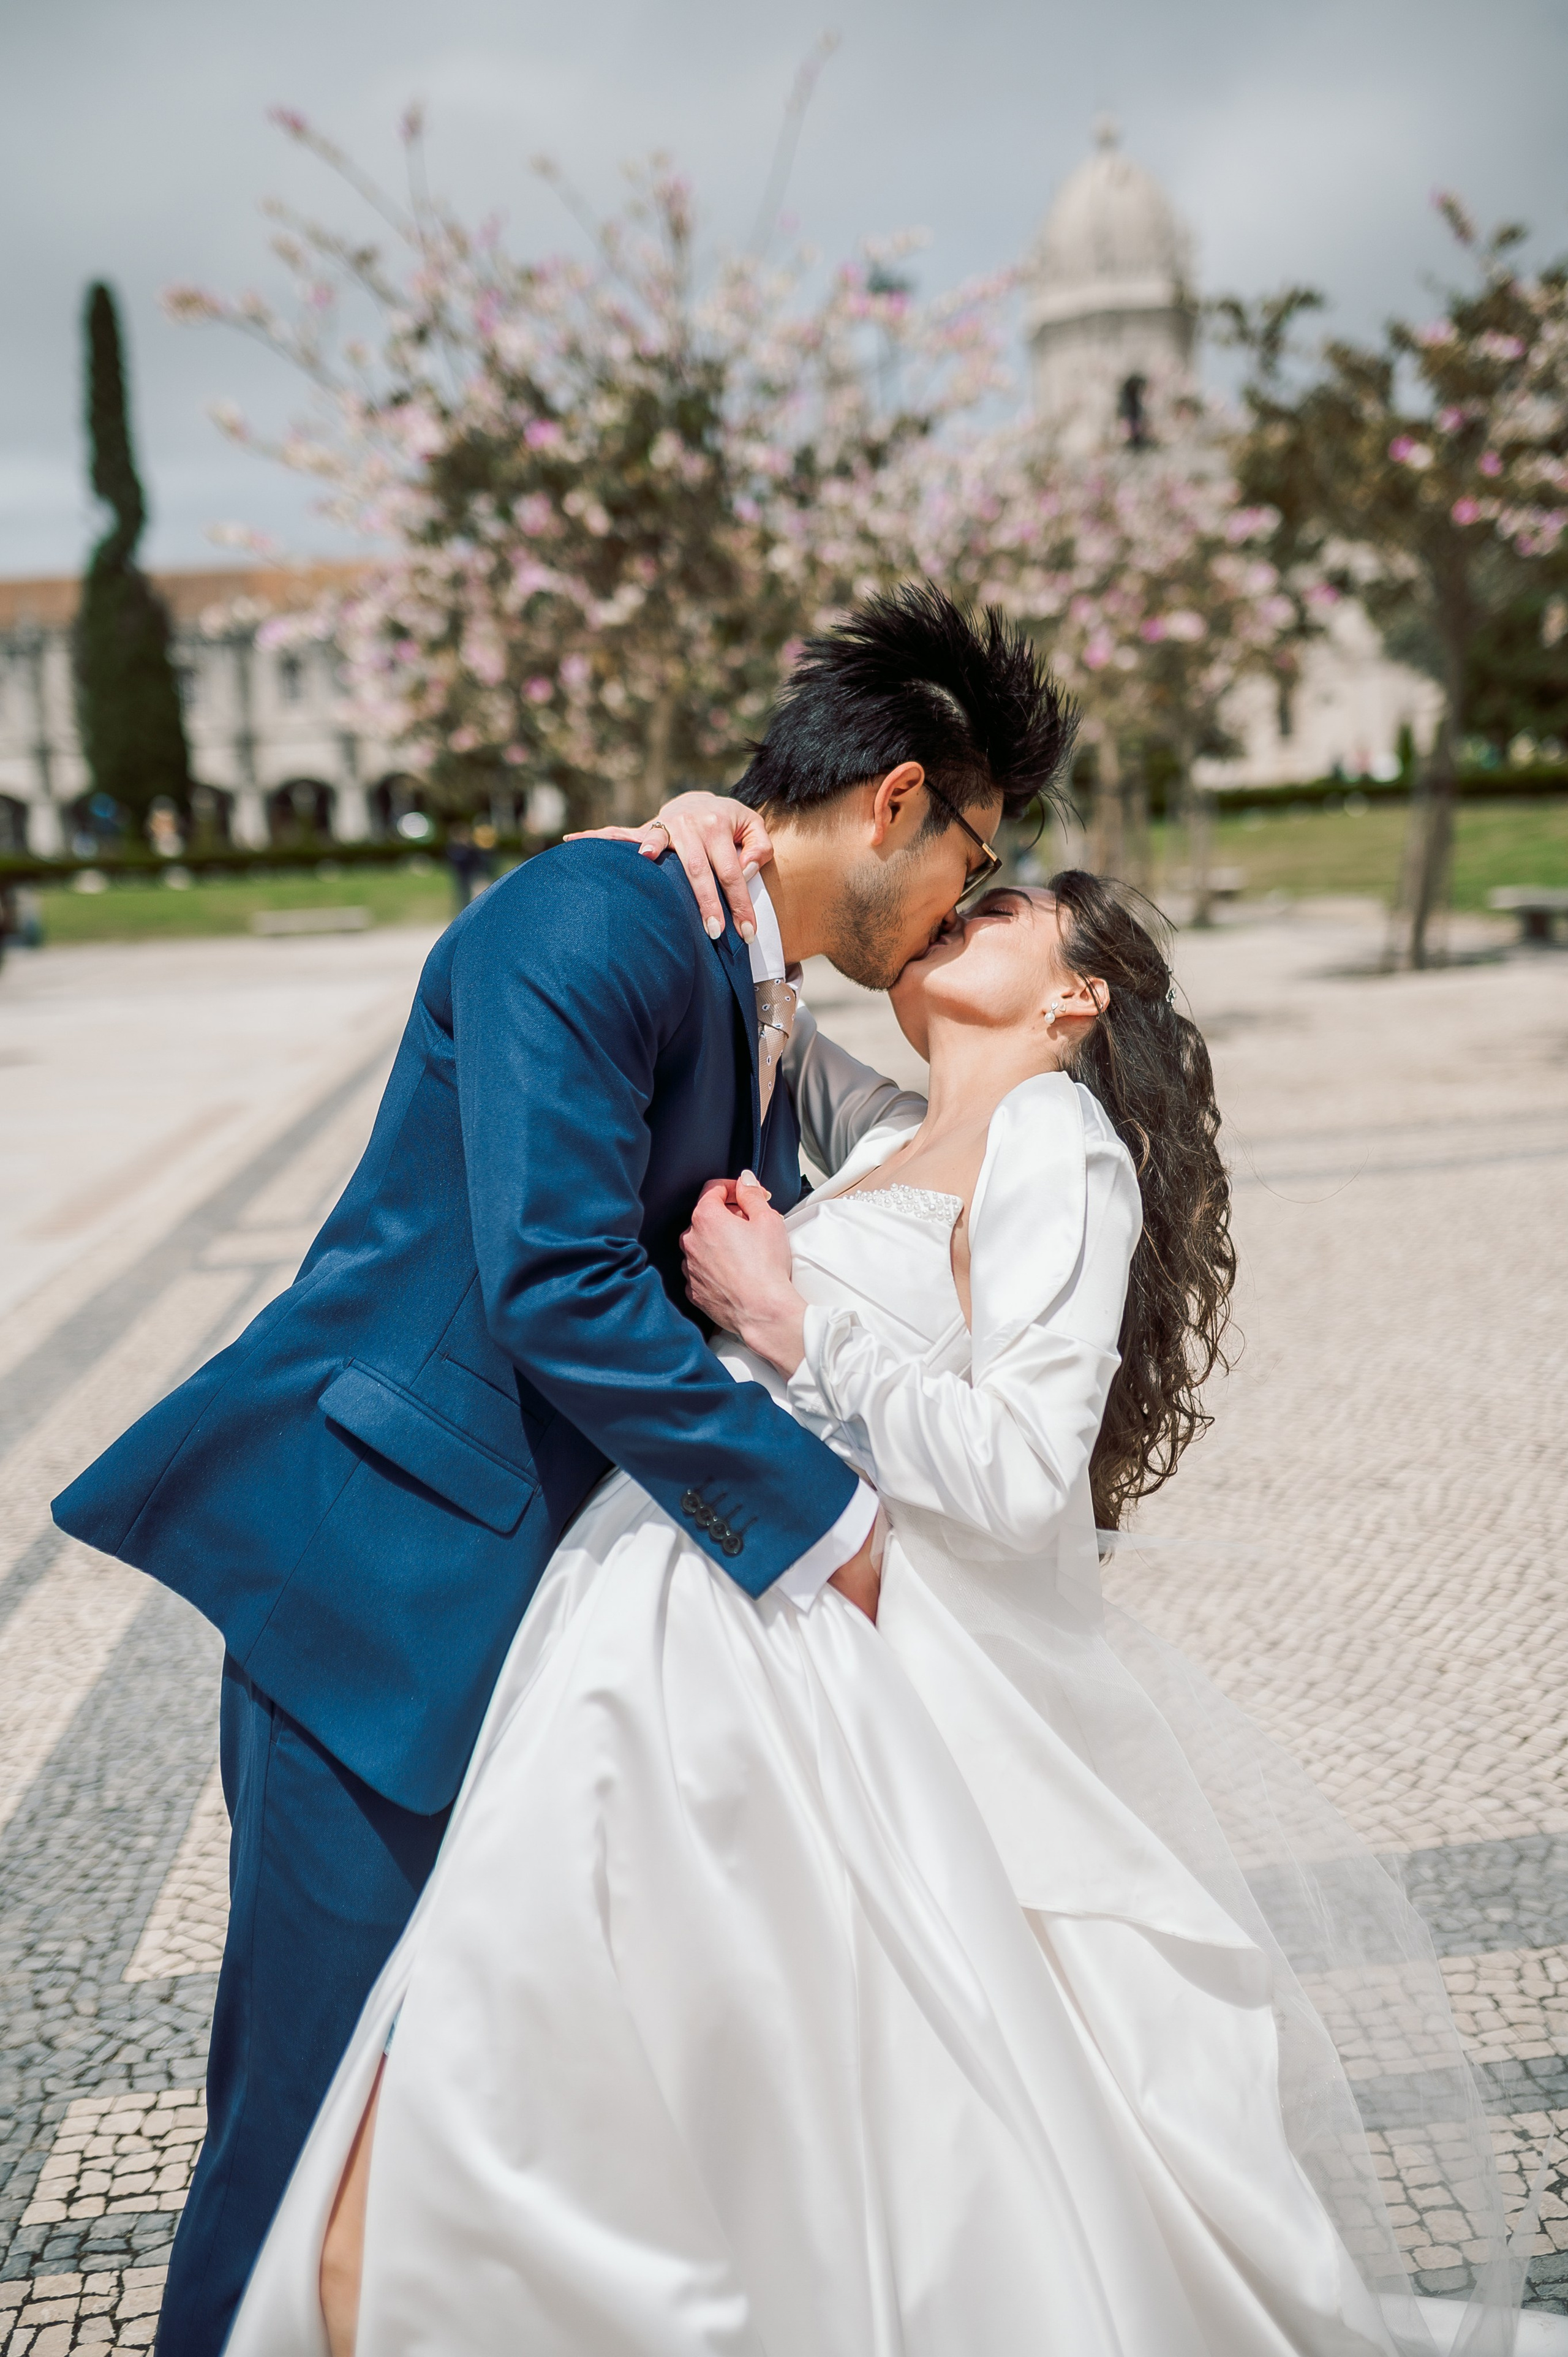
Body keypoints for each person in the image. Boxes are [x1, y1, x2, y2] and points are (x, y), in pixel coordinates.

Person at [225, 864, 1520, 2356]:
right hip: (679, 1610)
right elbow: (769, 976)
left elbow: (1028, 1475)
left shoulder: (1056, 1134)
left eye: (1009, 905)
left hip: (782, 1629)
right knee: (605, 2046)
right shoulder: (895, 1132)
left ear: (1074, 995)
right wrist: (687, 834)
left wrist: (792, 1317)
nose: (961, 906)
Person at [51, 584, 1069, 2357]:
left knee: (462, 2122)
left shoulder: (740, 965)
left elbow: (905, 1147)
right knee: (305, 2112)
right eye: (977, 855)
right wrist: (823, 1525)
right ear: (900, 799)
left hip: (556, 1626)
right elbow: (553, 1282)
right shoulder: (587, 917)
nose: (966, 906)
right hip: (384, 1587)